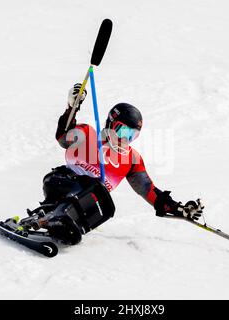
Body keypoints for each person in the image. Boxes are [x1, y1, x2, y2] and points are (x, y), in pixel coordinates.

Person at [18, 83, 204, 245]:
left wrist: (179, 209)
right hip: (61, 182)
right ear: (111, 123)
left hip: (86, 204)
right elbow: (62, 137)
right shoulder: (88, 134)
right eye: (122, 132)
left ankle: (63, 225)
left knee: (105, 204)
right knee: (95, 187)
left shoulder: (132, 159)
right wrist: (72, 108)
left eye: (132, 136)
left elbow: (149, 190)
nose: (125, 139)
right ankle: (47, 218)